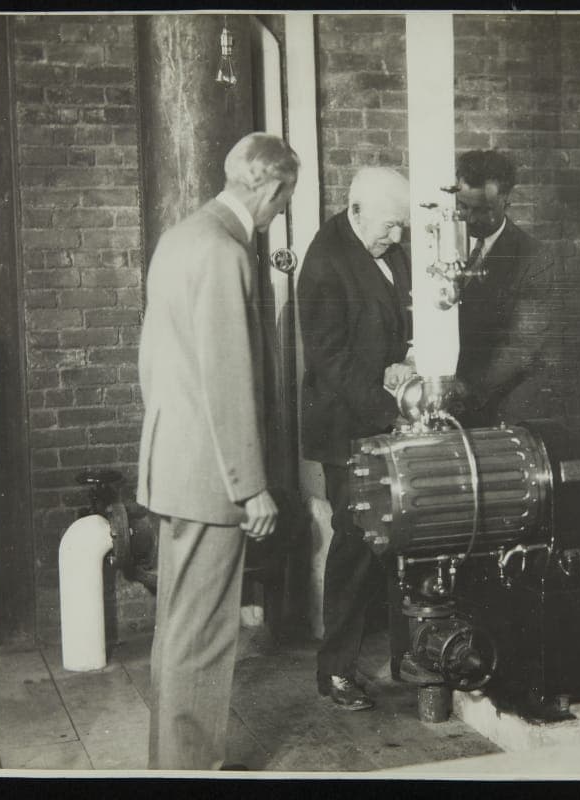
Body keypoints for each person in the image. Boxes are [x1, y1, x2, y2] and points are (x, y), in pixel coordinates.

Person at [136, 132, 299, 770]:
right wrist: (250, 485)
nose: (282, 213)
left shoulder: (179, 237)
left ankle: (169, 762)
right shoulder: (226, 250)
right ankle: (191, 769)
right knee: (203, 638)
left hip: (173, 464)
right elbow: (229, 380)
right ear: (268, 187)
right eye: (285, 199)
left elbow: (158, 364)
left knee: (178, 632)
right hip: (211, 477)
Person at [298, 167, 413, 711]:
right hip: (350, 428)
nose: (397, 237)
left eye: (401, 227)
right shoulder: (325, 262)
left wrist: (404, 363)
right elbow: (331, 361)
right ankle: (336, 669)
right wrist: (388, 405)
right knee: (357, 543)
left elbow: (397, 325)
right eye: (390, 226)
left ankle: (407, 657)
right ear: (357, 209)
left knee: (400, 539)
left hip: (388, 418)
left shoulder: (387, 247)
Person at [453, 149, 560, 428]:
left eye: (483, 210)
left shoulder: (533, 258)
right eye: (464, 207)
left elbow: (523, 347)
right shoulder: (438, 245)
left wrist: (466, 390)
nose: (471, 219)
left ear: (506, 200)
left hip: (497, 404)